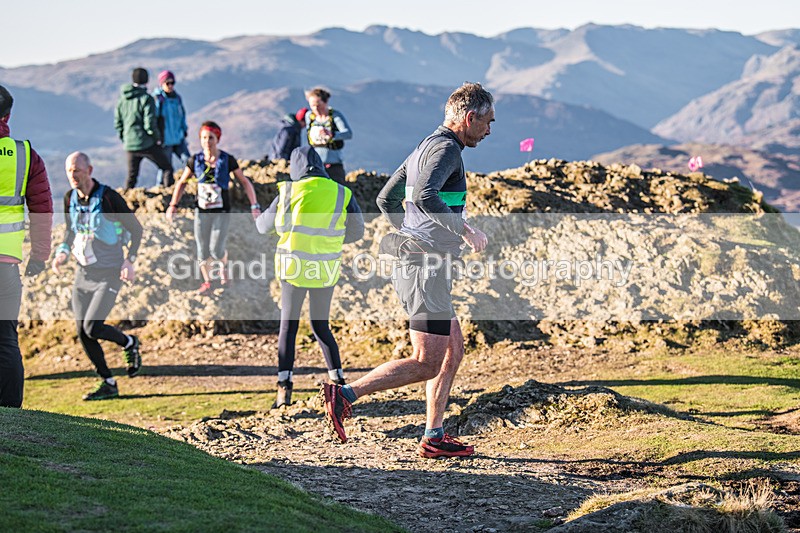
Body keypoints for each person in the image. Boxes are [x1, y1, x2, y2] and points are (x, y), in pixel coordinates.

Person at [322, 82, 493, 458]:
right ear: (469, 118)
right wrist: (464, 230)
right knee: (426, 362)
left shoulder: (424, 146)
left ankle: (434, 435)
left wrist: (410, 234)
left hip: (423, 263)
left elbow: (387, 198)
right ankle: (346, 394)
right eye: (487, 122)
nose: (490, 130)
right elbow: (425, 195)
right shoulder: (446, 148)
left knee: (452, 351)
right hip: (424, 269)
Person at [256, 146, 364, 408]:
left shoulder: (289, 191)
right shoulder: (341, 192)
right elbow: (357, 231)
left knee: (288, 328)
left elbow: (263, 227)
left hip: (293, 269)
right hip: (325, 269)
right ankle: (339, 385)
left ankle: (284, 391)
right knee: (320, 325)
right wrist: (335, 240)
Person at [51, 152, 144, 401]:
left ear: (89, 170)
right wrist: (61, 253)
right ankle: (108, 382)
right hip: (83, 273)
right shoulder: (70, 197)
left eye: (77, 170)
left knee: (93, 326)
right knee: (82, 331)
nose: (73, 175)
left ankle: (129, 343)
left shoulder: (109, 197)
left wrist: (130, 260)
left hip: (110, 273)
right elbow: (70, 232)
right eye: (69, 170)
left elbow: (136, 229)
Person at [0, 85, 53, 408]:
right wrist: (40, 255)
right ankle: (11, 414)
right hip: (6, 265)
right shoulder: (25, 155)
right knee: (5, 339)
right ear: (7, 116)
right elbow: (43, 209)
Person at [167, 121, 261, 294]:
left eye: (210, 137)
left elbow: (245, 182)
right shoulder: (194, 160)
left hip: (221, 211)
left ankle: (224, 269)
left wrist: (254, 204)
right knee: (202, 250)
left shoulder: (227, 160)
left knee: (216, 249)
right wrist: (173, 205)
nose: (207, 141)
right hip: (202, 211)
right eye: (203, 138)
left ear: (217, 138)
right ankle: (208, 281)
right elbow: (182, 183)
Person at [114, 67, 172, 190]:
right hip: (146, 144)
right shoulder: (147, 99)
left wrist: (125, 139)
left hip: (129, 144)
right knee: (167, 168)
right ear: (147, 80)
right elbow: (149, 124)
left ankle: (125, 202)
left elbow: (118, 123)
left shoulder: (122, 99)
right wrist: (157, 138)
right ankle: (169, 195)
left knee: (131, 177)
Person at [304, 88, 352, 185]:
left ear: (325, 102)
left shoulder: (334, 116)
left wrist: (332, 135)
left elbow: (348, 134)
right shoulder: (309, 117)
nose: (315, 109)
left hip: (334, 165)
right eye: (312, 105)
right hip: (316, 164)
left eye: (318, 105)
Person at [152, 70, 190, 188]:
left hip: (178, 137)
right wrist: (157, 137)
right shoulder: (158, 99)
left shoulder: (177, 98)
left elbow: (182, 115)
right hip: (165, 140)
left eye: (172, 83)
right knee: (165, 167)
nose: (170, 86)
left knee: (188, 161)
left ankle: (190, 184)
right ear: (161, 83)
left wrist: (184, 130)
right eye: (167, 83)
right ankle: (160, 188)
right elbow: (154, 119)